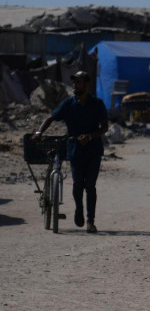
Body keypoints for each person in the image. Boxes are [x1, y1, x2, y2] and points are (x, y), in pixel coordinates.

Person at [34, 70, 109, 233]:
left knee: (90, 186)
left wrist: (90, 136)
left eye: (79, 82)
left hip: (93, 151)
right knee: (77, 186)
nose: (75, 85)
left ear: (86, 84)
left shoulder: (97, 104)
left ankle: (90, 221)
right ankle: (79, 209)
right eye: (74, 82)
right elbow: (51, 118)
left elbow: (105, 126)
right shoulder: (68, 104)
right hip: (74, 151)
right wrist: (40, 132)